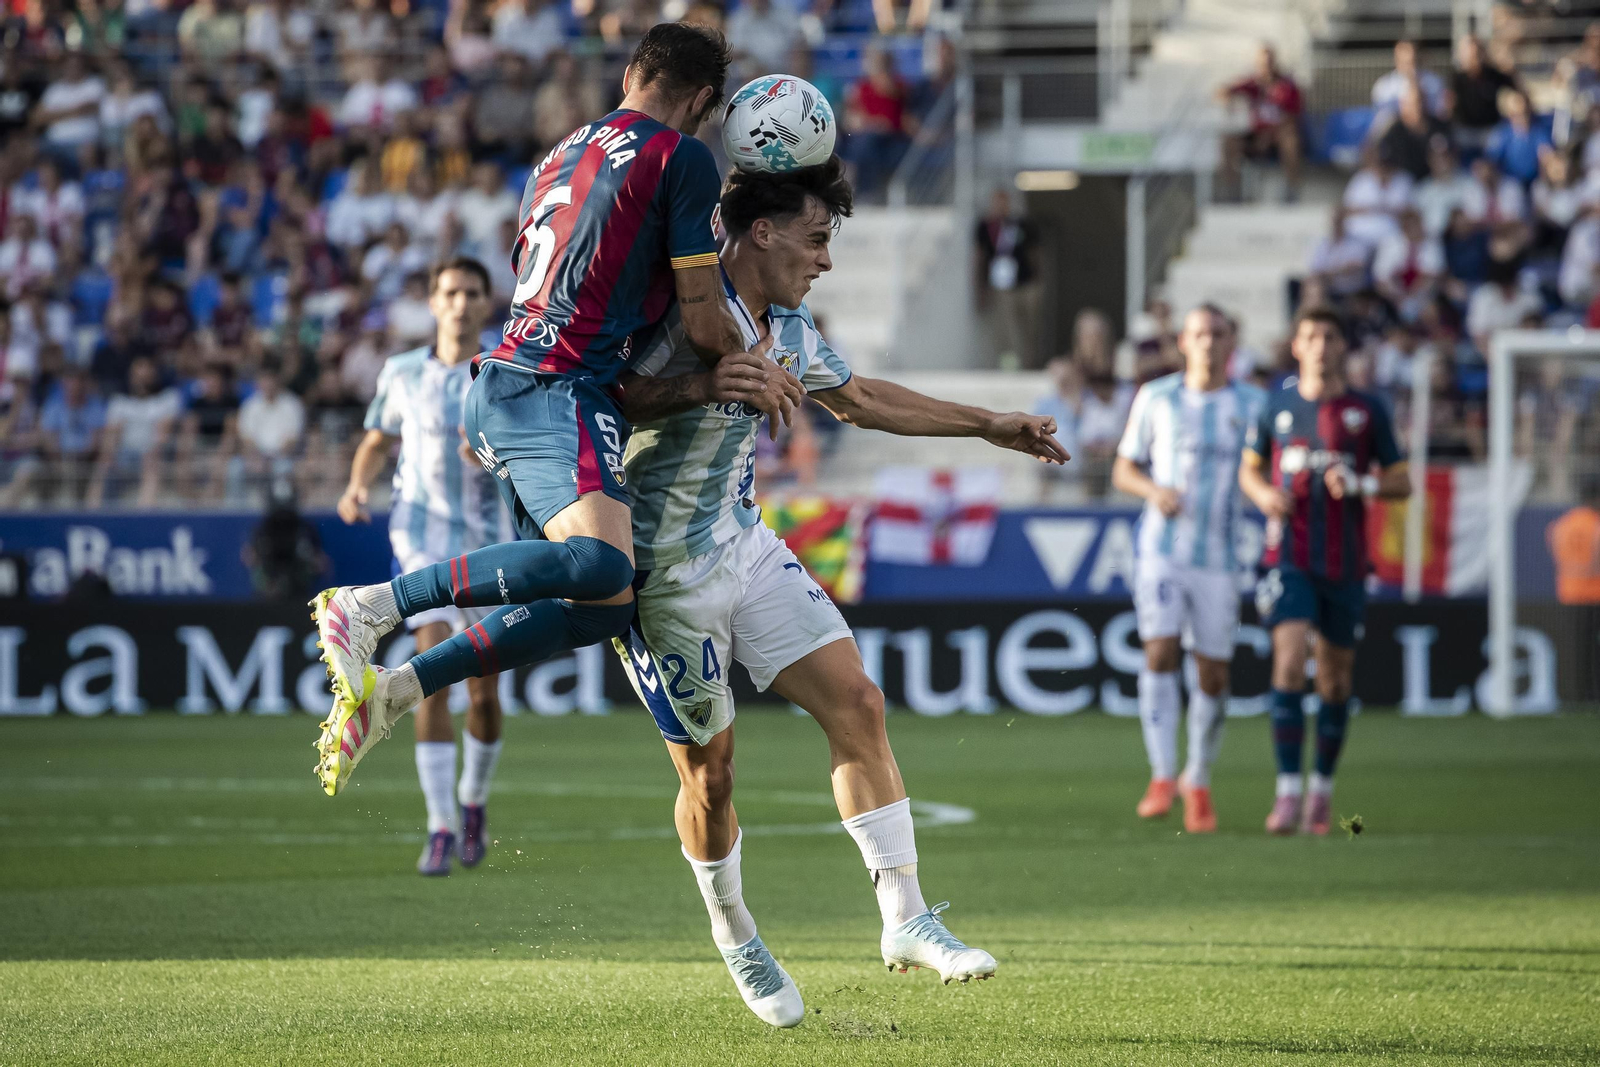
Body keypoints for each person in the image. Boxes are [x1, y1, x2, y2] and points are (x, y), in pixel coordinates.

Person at [614, 159, 1067, 1027]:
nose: (825, 260)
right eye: (816, 239)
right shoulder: (673, 305)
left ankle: (905, 917)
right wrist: (703, 385)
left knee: (857, 700)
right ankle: (735, 927)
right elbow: (607, 397)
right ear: (761, 231)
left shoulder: (786, 321)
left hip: (743, 543)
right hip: (664, 575)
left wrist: (989, 423)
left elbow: (857, 398)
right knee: (711, 778)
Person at [309, 24, 796, 797]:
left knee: (604, 603)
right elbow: (706, 326)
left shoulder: (559, 152)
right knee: (604, 565)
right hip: (554, 385)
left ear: (634, 71)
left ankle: (398, 688)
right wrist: (749, 362)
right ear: (704, 99)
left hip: (517, 379)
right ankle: (371, 604)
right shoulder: (682, 156)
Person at [335, 258, 511, 876]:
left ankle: (473, 803)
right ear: (434, 303)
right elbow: (378, 438)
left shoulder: (501, 370)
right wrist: (358, 487)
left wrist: (491, 453)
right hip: (420, 541)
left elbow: (527, 449)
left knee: (484, 696)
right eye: (449, 293)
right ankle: (439, 825)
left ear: (486, 304)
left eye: (470, 293)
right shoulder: (402, 372)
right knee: (429, 673)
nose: (460, 303)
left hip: (490, 548)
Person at [1239, 308, 1411, 836]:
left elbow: (1402, 481)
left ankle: (1322, 790)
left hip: (1346, 561)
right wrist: (1265, 493)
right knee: (1289, 660)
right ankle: (1287, 793)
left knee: (1335, 678)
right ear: (1296, 345)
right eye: (1309, 336)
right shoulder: (1277, 404)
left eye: (1329, 336)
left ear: (1342, 346)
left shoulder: (1367, 410)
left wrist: (1359, 486)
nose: (1319, 344)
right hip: (1287, 555)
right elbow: (1250, 469)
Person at [1112, 306, 1265, 834]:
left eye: (1216, 333)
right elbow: (1123, 468)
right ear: (1183, 341)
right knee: (1160, 650)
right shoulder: (1157, 397)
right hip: (1161, 549)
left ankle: (1196, 778)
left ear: (1231, 340)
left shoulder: (1252, 404)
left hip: (1222, 557)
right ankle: (1161, 774)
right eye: (1198, 333)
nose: (1206, 342)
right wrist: (1155, 490)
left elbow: (1262, 472)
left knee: (1213, 672)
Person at [1218, 44, 1304, 201]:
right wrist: (1227, 100)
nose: (1266, 68)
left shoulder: (1287, 86)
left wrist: (1269, 135)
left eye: (1269, 63)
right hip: (1256, 136)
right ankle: (1232, 191)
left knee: (1290, 140)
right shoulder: (1253, 84)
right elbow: (1224, 90)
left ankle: (1292, 188)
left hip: (1277, 137)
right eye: (1262, 64)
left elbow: (1292, 117)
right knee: (1228, 141)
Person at [974, 187, 1040, 367]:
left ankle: (1028, 362)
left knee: (1028, 326)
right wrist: (980, 288)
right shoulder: (985, 227)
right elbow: (979, 258)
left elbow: (1034, 253)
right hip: (1001, 285)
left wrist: (1037, 279)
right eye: (997, 203)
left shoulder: (1020, 225)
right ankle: (1010, 364)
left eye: (1004, 203)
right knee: (1006, 326)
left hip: (1025, 282)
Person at [1372, 39, 1445, 119]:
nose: (1409, 66)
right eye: (1404, 62)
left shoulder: (1434, 82)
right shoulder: (1384, 85)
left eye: (1412, 61)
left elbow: (1440, 111)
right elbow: (1383, 116)